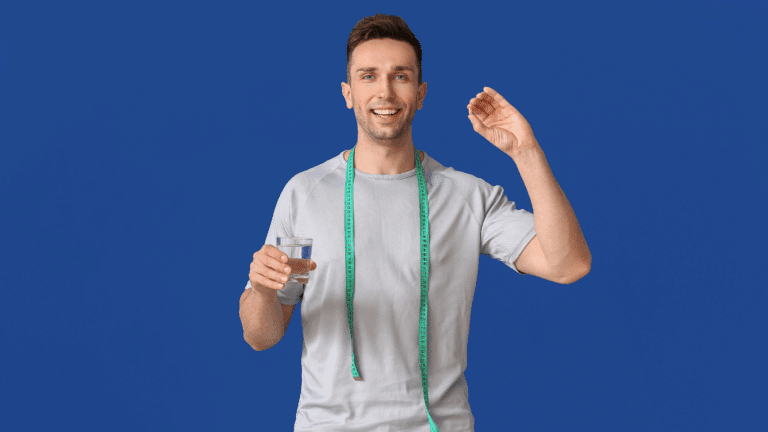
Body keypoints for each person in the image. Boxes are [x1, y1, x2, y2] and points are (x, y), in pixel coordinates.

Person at [239, 14, 591, 432]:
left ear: (420, 94)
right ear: (348, 93)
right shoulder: (306, 193)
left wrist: (526, 152)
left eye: (400, 76)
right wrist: (262, 290)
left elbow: (568, 264)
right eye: (368, 76)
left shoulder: (467, 196)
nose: (385, 91)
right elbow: (262, 336)